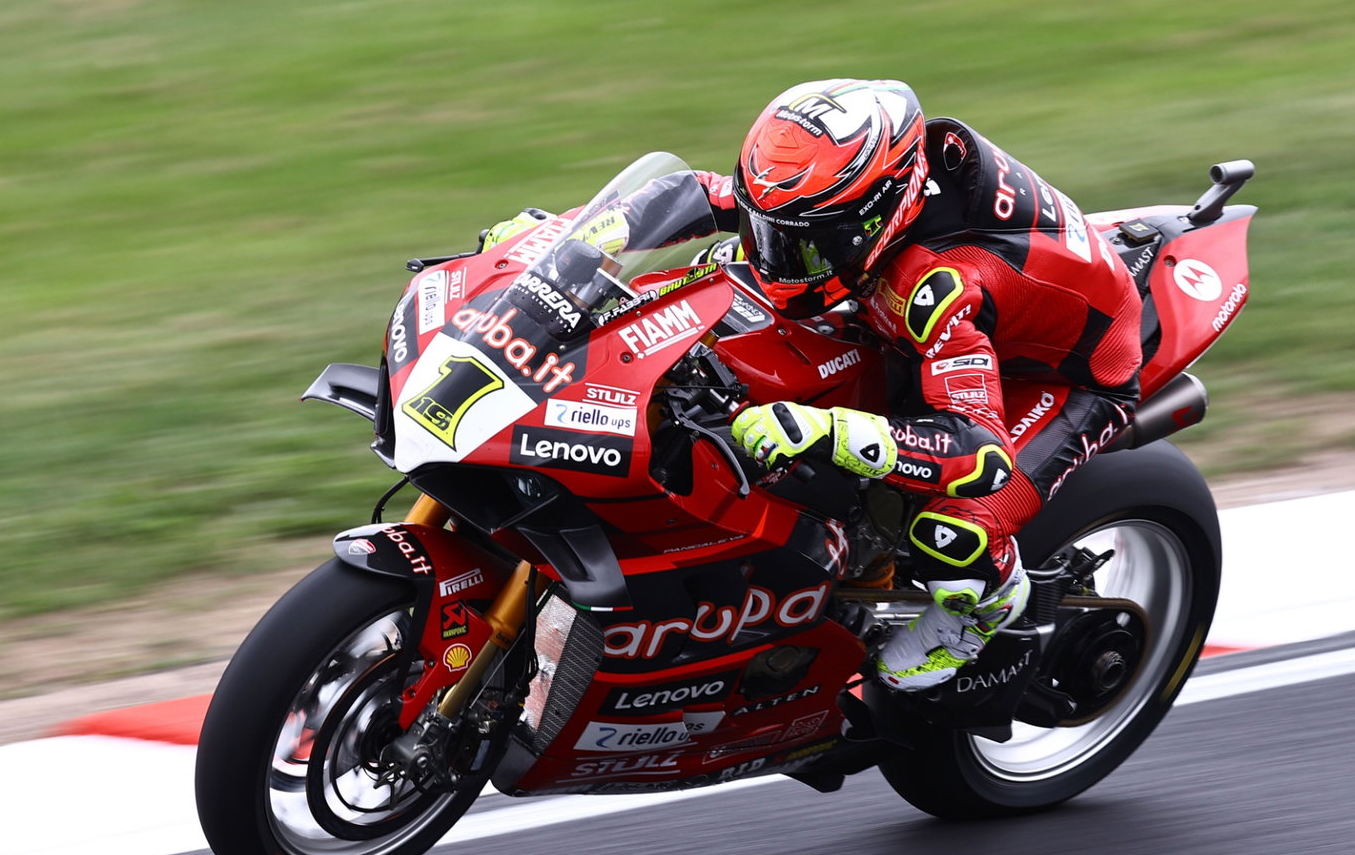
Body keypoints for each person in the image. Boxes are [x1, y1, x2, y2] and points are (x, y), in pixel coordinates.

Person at [485, 79, 1143, 691]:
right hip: (952, 311)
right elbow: (682, 196)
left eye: (798, 244)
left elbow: (976, 450)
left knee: (954, 527)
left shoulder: (932, 287)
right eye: (764, 227)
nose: (768, 255)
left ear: (869, 223)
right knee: (723, 299)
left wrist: (821, 430)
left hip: (1060, 374)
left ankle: (986, 607)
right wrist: (557, 245)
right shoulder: (831, 199)